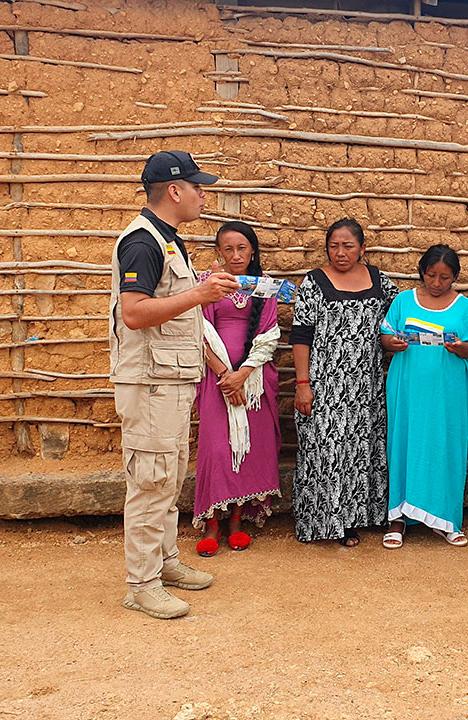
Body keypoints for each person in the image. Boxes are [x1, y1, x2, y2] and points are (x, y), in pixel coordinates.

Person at [111, 150, 237, 620]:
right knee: (151, 480)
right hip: (150, 383)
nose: (204, 194)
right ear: (175, 190)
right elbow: (135, 312)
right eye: (198, 186)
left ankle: (162, 564)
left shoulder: (167, 240)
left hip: (170, 379)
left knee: (166, 477)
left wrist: (198, 289)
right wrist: (199, 294)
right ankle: (141, 584)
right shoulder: (142, 242)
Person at [290, 219, 399, 547]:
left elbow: (401, 316)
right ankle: (330, 522)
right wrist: (302, 383)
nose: (340, 252)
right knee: (327, 452)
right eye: (334, 246)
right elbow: (301, 334)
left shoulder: (380, 281)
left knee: (362, 452)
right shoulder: (314, 282)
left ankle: (360, 518)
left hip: (365, 386)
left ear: (362, 248)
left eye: (348, 246)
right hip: (324, 385)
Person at [381, 245, 468, 549]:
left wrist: (459, 347)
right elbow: (385, 336)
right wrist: (393, 343)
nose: (437, 283)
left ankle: (447, 519)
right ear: (421, 270)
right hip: (408, 386)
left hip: (447, 390)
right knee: (404, 442)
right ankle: (397, 518)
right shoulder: (403, 301)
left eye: (445, 278)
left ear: (455, 277)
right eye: (431, 275)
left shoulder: (463, 307)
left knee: (446, 445)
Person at [192, 221, 282, 557]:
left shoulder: (265, 287)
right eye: (227, 249)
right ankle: (213, 521)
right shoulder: (207, 285)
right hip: (216, 381)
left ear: (253, 251)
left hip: (254, 381)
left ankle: (237, 522)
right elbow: (198, 331)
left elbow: (270, 335)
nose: (235, 255)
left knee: (250, 451)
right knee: (218, 449)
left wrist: (242, 375)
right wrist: (224, 375)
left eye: (241, 248)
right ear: (218, 252)